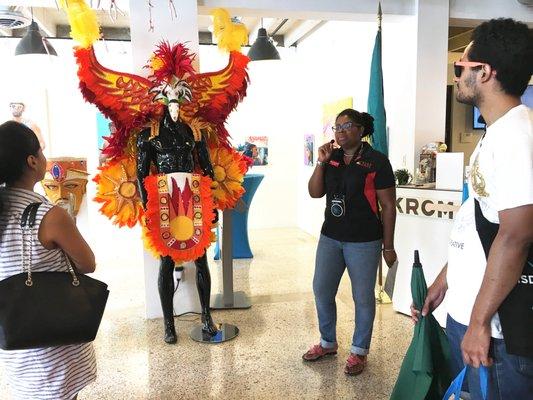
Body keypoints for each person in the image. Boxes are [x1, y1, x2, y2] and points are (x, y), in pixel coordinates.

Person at [412, 18, 533, 399]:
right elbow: (481, 221)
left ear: (485, 72)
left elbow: (517, 235)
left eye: (459, 67)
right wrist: (446, 280)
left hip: (498, 332)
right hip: (473, 316)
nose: (457, 76)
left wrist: (480, 322)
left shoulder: (516, 137)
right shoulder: (496, 134)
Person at [0, 121, 97, 400]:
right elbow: (87, 263)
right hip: (52, 339)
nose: (44, 156)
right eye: (41, 151)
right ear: (32, 161)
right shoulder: (49, 215)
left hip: (16, 340)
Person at [303, 108, 397, 376]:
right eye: (337, 127)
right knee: (321, 289)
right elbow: (315, 192)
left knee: (362, 298)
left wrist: (388, 246)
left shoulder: (377, 161)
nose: (340, 132)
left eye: (346, 126)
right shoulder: (330, 157)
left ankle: (359, 351)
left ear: (361, 129)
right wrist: (320, 162)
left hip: (364, 240)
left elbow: (388, 206)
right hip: (330, 237)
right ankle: (327, 342)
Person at [137, 81, 219, 344]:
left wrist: (212, 203)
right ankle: (169, 325)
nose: (173, 105)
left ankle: (206, 316)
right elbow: (141, 173)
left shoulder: (194, 133)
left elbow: (208, 169)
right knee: (166, 260)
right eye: (168, 98)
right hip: (163, 198)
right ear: (160, 100)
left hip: (192, 196)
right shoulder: (148, 135)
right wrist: (147, 204)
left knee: (201, 257)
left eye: (178, 98)